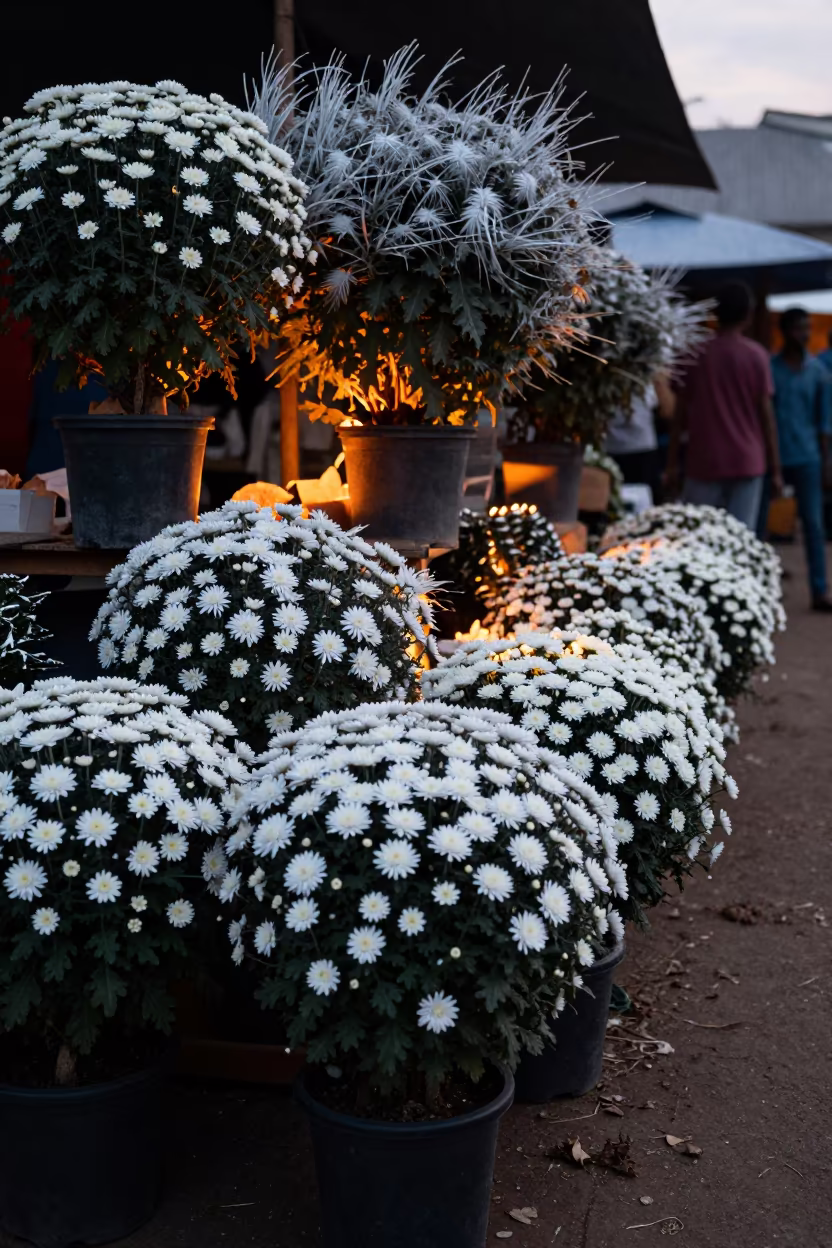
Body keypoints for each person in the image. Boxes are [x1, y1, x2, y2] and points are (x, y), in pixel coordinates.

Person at [666, 282, 782, 529]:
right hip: (748, 460)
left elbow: (679, 414)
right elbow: (766, 417)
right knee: (741, 538)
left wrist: (672, 463)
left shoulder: (693, 353)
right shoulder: (757, 356)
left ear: (714, 313)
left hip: (704, 460)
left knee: (699, 539)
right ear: (748, 315)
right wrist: (776, 469)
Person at [770, 307, 832, 612]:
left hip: (808, 458)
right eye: (798, 328)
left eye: (807, 328)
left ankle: (819, 590)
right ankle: (764, 589)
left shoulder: (818, 372)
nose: (805, 334)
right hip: (775, 457)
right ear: (785, 331)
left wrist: (826, 463)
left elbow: (824, 425)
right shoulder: (771, 369)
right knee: (761, 526)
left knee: (814, 525)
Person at [604, 373, 674, 502]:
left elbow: (667, 409)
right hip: (621, 448)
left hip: (636, 449)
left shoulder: (649, 362)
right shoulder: (650, 365)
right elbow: (667, 410)